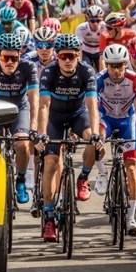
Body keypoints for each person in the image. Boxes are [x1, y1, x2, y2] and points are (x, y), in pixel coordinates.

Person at [36, 34, 100, 240]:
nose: (67, 60)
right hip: (54, 118)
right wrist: (41, 134)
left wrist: (96, 134)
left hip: (77, 115)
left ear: (78, 55)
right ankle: (49, 217)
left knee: (93, 140)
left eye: (71, 56)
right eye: (62, 56)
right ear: (57, 56)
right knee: (51, 163)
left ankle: (83, 177)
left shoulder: (86, 71)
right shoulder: (48, 72)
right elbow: (43, 105)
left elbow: (92, 105)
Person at [95, 44, 136, 236]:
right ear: (106, 64)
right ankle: (102, 173)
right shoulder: (99, 79)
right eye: (112, 66)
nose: (116, 70)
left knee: (131, 167)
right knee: (97, 141)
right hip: (106, 119)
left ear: (126, 64)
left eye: (120, 65)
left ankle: (130, 217)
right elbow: (90, 105)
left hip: (128, 120)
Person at [0, 32, 39, 205]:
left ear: (20, 55)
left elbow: (34, 100)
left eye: (14, 58)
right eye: (5, 58)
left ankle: (21, 180)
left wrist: (34, 127)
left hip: (20, 108)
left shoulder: (28, 67)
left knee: (22, 144)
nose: (10, 62)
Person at [76, 5, 105, 72]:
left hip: (99, 52)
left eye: (98, 21)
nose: (95, 23)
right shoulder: (81, 28)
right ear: (87, 19)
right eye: (92, 21)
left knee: (103, 72)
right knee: (86, 70)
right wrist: (79, 64)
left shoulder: (105, 27)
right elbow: (79, 47)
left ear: (102, 19)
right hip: (86, 52)